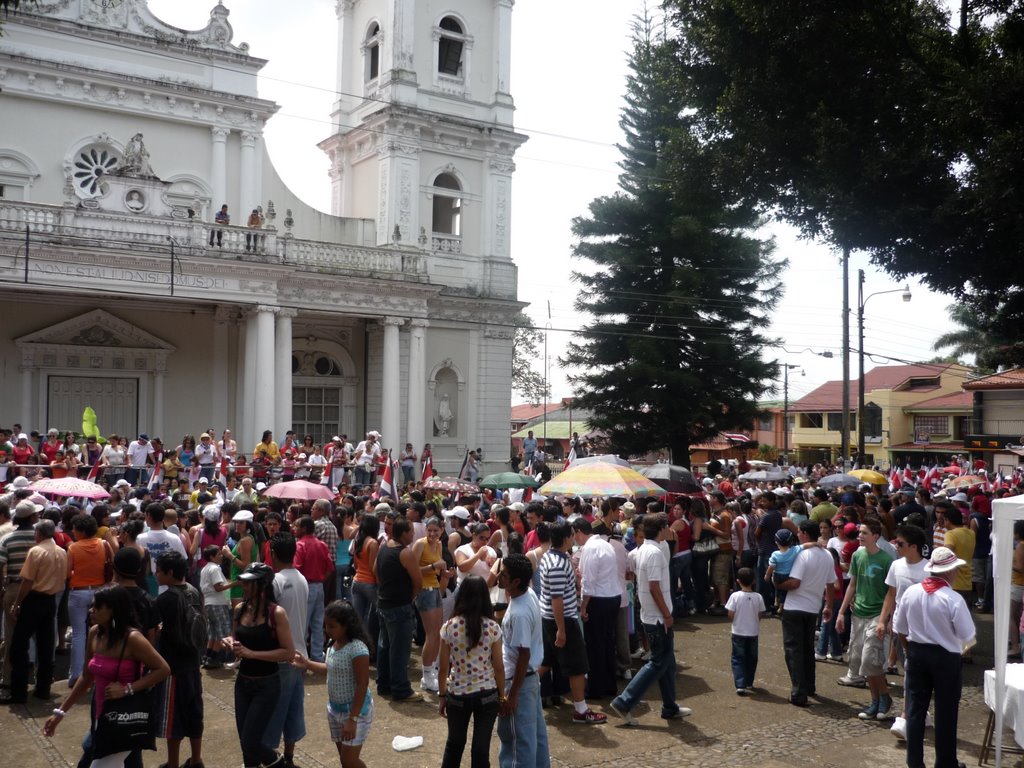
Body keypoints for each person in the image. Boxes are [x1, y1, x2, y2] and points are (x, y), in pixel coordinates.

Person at [43, 585, 171, 768]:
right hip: (101, 716)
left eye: (97, 606)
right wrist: (60, 712)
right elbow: (87, 677)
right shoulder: (95, 633)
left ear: (114, 610)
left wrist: (127, 689)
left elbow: (163, 669)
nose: (91, 610)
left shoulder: (133, 638)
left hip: (125, 718)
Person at [892, 546, 976, 768]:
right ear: (950, 572)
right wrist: (957, 650)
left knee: (915, 710)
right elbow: (968, 637)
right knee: (946, 712)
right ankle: (946, 763)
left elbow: (900, 627)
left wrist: (910, 649)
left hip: (917, 651)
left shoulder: (911, 592)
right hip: (945, 657)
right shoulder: (953, 598)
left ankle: (915, 762)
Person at [610, 514, 690, 725]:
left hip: (650, 615)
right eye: (666, 527)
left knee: (667, 663)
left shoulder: (641, 550)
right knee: (658, 662)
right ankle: (624, 702)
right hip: (657, 618)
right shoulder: (653, 552)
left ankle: (670, 706)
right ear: (662, 528)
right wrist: (666, 614)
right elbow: (654, 587)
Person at [226, 562, 296, 768]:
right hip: (243, 683)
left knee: (251, 742)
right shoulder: (240, 609)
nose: (244, 587)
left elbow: (288, 652)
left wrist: (252, 654)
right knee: (245, 746)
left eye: (249, 584)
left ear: (263, 586)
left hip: (266, 685)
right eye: (244, 583)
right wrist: (230, 643)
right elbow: (235, 637)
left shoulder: (277, 614)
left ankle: (281, 765)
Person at [537, 521, 606, 724]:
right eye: (572, 535)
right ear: (566, 538)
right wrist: (561, 630)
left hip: (552, 618)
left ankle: (515, 688)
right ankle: (581, 710)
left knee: (547, 661)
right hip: (561, 619)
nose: (574, 537)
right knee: (577, 665)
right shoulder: (557, 563)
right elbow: (556, 599)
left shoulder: (551, 556)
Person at [294, 601, 373, 768]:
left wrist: (352, 719)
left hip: (355, 712)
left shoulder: (357, 649)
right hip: (335, 710)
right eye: (326, 625)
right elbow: (329, 669)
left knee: (349, 761)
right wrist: (307, 663)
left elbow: (362, 684)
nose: (327, 630)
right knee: (345, 760)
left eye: (332, 626)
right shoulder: (333, 645)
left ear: (346, 626)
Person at [438, 575, 504, 768]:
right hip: (487, 693)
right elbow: (498, 667)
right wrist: (502, 697)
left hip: (457, 694)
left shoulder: (449, 627)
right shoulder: (492, 627)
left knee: (454, 744)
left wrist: (442, 695)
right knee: (481, 749)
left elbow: (443, 669)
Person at [836, 519, 895, 719]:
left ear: (876, 536)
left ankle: (884, 697)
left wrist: (888, 619)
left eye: (864, 533)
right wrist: (841, 612)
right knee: (861, 660)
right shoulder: (857, 555)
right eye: (860, 532)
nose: (859, 536)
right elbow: (852, 584)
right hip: (858, 613)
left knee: (871, 659)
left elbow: (891, 592)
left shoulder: (887, 560)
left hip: (877, 614)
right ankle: (876, 700)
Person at [5, 518, 67, 703]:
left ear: (39, 534)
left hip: (34, 600)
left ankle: (19, 692)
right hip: (50, 601)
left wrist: (17, 603)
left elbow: (27, 581)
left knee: (19, 646)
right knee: (46, 646)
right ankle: (43, 688)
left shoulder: (36, 551)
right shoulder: (62, 552)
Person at [495, 553, 549, 768]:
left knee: (518, 742)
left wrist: (512, 694)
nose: (499, 576)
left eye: (504, 574)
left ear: (516, 581)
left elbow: (523, 654)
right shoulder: (529, 596)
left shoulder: (518, 612)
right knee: (535, 736)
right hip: (529, 679)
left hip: (519, 681)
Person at [153, 552, 205, 768]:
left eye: (159, 570)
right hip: (193, 662)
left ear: (170, 573)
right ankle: (196, 759)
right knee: (194, 712)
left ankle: (172, 763)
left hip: (172, 666)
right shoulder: (194, 592)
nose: (156, 574)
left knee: (173, 718)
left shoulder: (165, 599)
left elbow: (156, 632)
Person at [777, 520, 836, 707]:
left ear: (803, 533)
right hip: (813, 608)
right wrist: (829, 606)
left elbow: (794, 583)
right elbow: (831, 584)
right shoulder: (826, 555)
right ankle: (809, 686)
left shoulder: (802, 555)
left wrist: (777, 584)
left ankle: (799, 692)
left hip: (795, 606)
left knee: (794, 651)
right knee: (807, 649)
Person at [265, 532, 310, 768]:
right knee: (293, 709)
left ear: (272, 553)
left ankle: (272, 759)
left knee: (276, 711)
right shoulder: (301, 578)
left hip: (282, 656)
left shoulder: (276, 581)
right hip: (299, 654)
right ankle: (289, 758)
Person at [374, 517, 423, 702]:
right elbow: (418, 581)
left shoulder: (384, 547)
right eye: (411, 531)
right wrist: (410, 597)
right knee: (400, 650)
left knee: (385, 646)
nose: (413, 534)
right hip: (399, 606)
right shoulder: (405, 553)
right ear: (403, 533)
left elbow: (375, 570)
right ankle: (401, 689)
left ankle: (384, 684)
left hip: (384, 603)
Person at [572, 518, 620, 699]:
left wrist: (583, 606)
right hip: (612, 596)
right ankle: (609, 684)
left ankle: (596, 688)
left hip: (599, 599)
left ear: (579, 532)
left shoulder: (590, 548)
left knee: (595, 646)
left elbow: (589, 582)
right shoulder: (605, 544)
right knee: (607, 642)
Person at [67, 513, 115, 686]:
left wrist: (76, 573)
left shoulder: (73, 548)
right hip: (100, 592)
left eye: (74, 528)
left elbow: (67, 573)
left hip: (78, 592)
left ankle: (76, 675)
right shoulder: (104, 544)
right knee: (102, 631)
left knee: (78, 634)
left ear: (80, 531)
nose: (72, 531)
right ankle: (101, 669)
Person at [412, 516, 451, 693]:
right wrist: (433, 566)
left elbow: (439, 569)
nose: (432, 534)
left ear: (442, 530)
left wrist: (446, 574)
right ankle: (427, 675)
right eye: (430, 530)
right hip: (424, 590)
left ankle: (431, 671)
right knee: (431, 634)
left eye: (436, 530)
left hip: (434, 589)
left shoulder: (440, 544)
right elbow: (411, 569)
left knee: (438, 633)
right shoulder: (420, 544)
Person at [294, 516, 331, 663]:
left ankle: (302, 654)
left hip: (306, 586)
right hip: (319, 586)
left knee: (302, 622)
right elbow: (329, 568)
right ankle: (317, 655)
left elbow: (296, 568)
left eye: (296, 526)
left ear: (303, 528)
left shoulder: (300, 545)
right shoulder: (321, 544)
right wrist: (320, 579)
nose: (294, 528)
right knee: (317, 622)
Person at [726, 567, 765, 695]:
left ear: (738, 581)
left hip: (738, 631)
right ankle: (749, 681)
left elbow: (731, 613)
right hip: (753, 632)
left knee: (738, 657)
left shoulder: (735, 596)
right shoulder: (758, 597)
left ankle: (740, 684)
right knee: (752, 657)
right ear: (754, 581)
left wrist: (735, 620)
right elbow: (760, 614)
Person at [199, 545, 233, 669]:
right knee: (221, 632)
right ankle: (214, 658)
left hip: (209, 604)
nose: (221, 556)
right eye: (219, 554)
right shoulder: (214, 569)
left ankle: (208, 656)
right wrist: (235, 584)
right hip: (218, 604)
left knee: (213, 633)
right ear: (212, 556)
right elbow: (218, 587)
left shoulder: (205, 569)